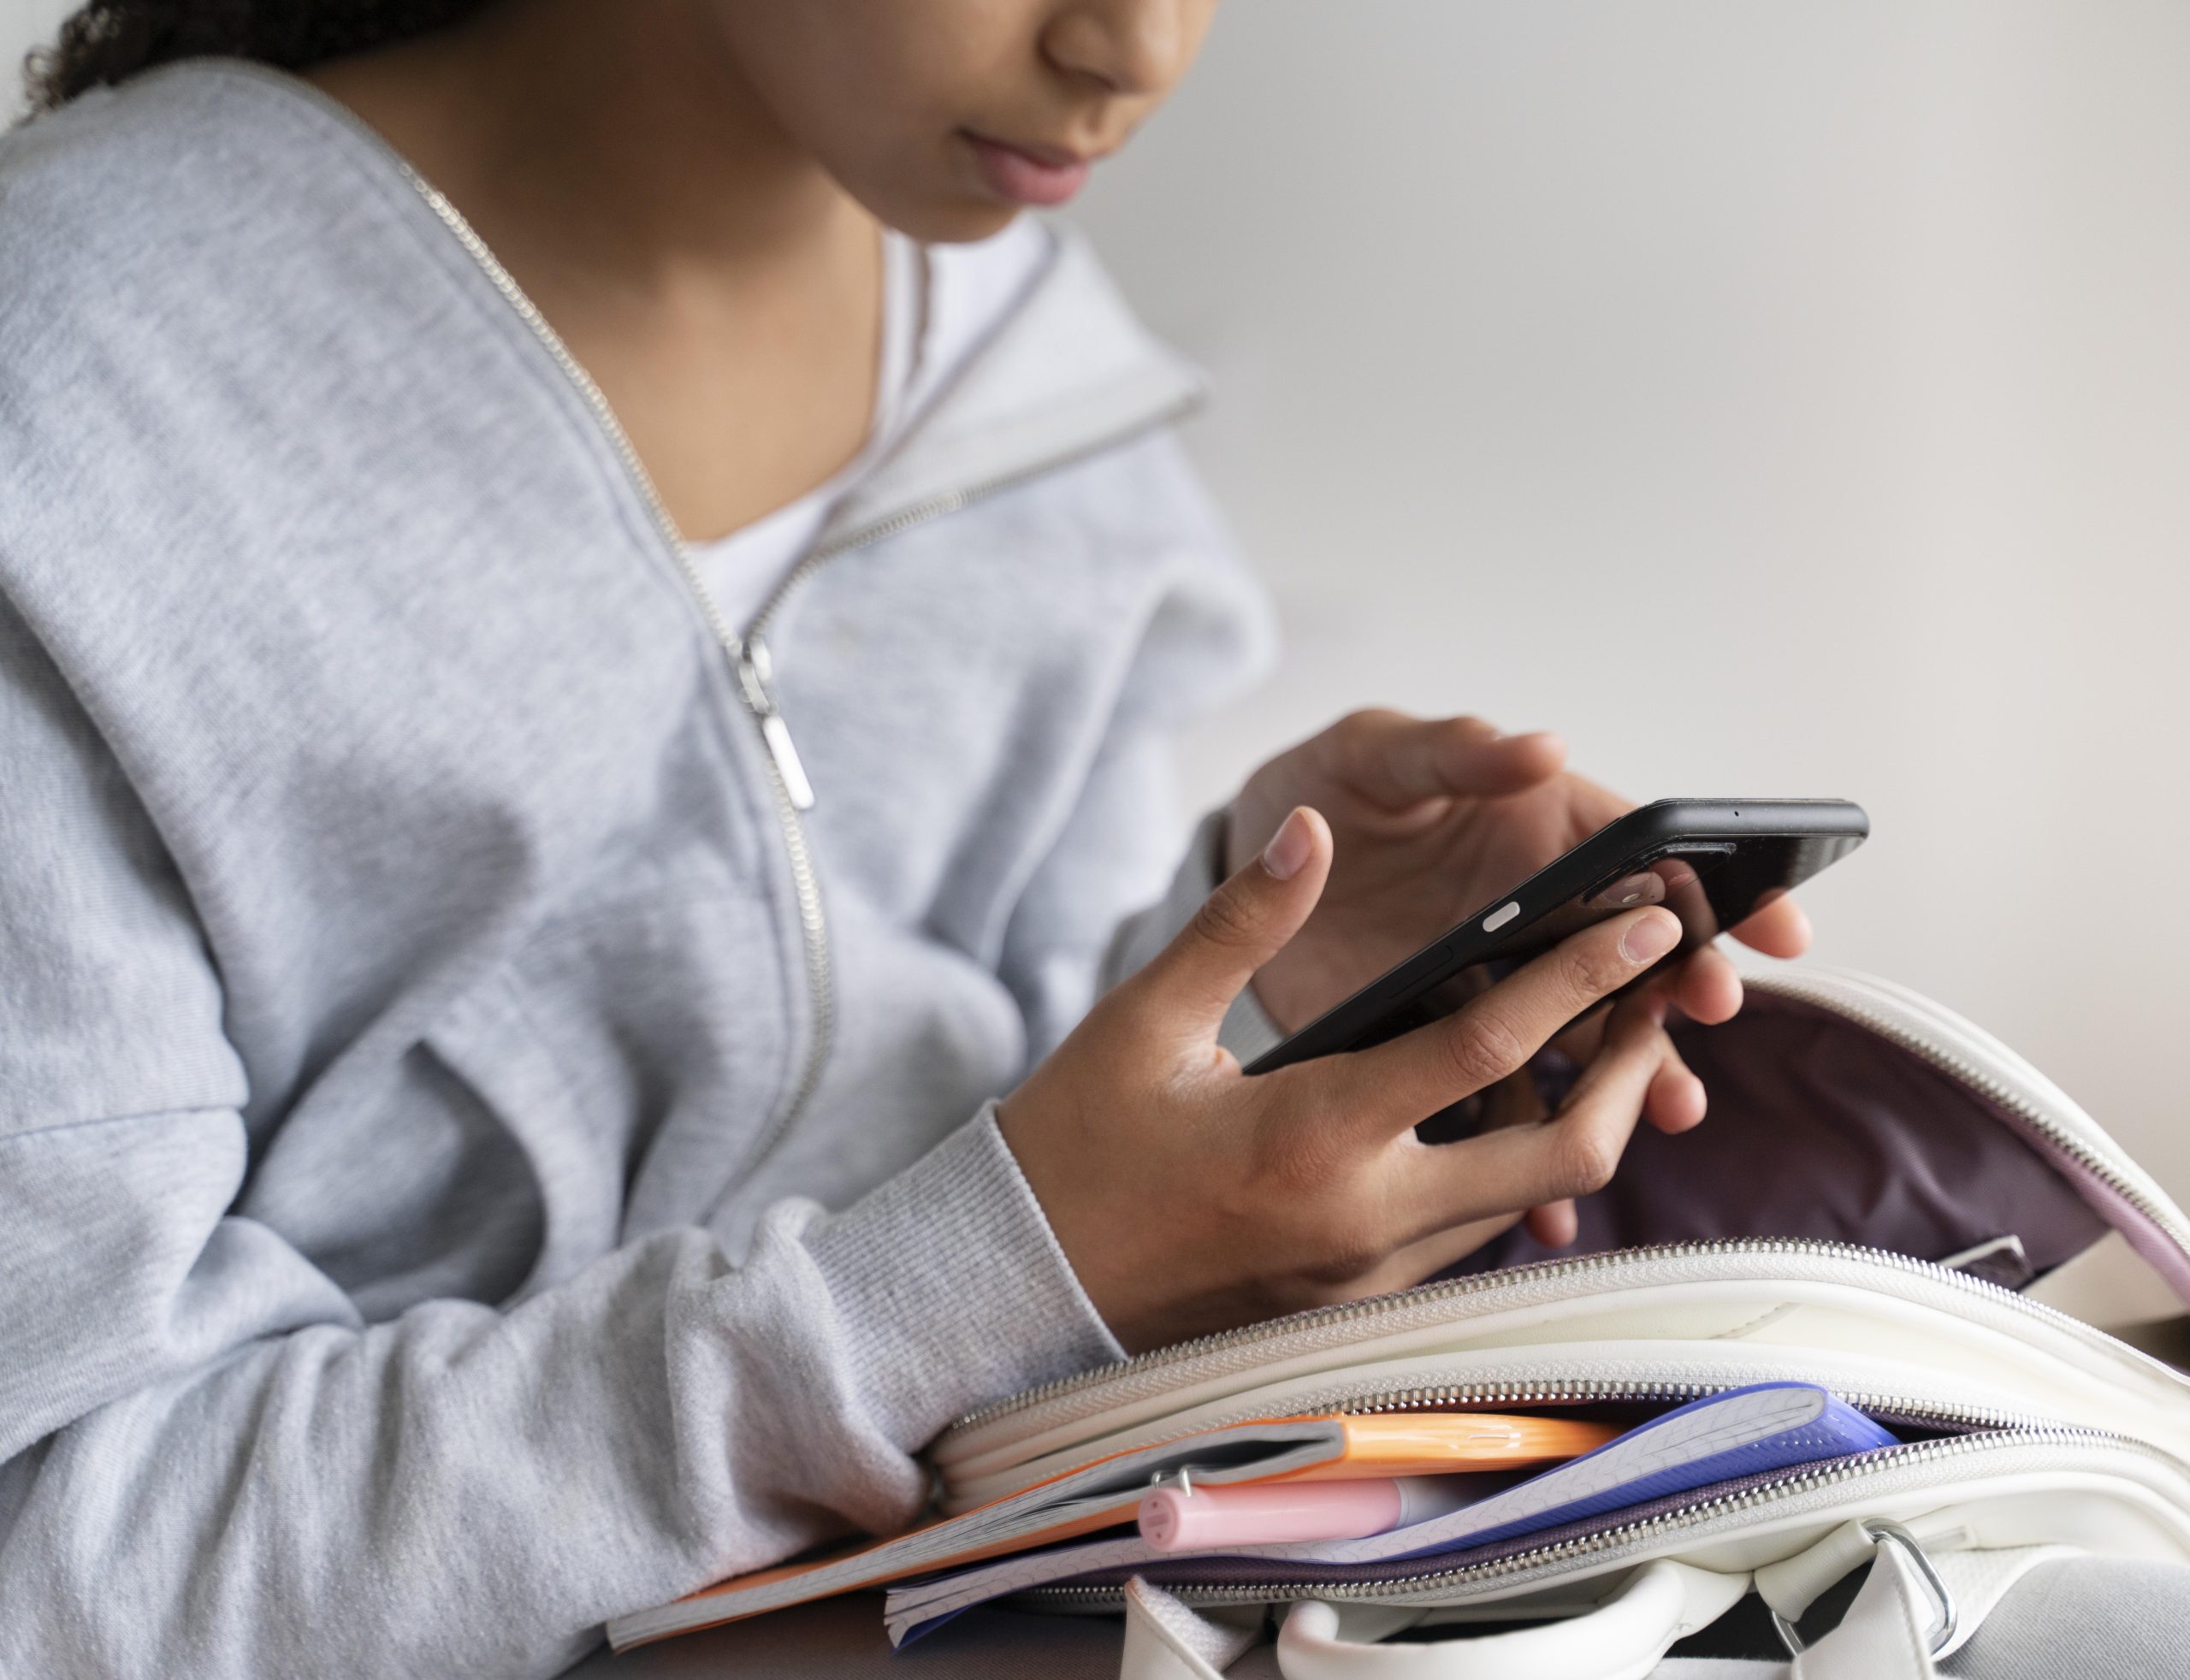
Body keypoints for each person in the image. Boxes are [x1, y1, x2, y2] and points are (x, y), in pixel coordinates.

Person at [0, 2, 1809, 1674]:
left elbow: (899, 1134)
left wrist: (1246, 1000)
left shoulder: (1039, 395)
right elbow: (54, 1564)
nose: (1136, 48)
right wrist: (998, 1275)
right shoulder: (66, 410)